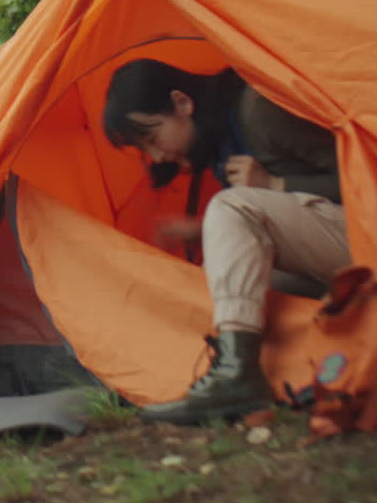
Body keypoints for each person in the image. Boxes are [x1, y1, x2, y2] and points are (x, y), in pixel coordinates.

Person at [102, 59, 348, 424]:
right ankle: (194, 375)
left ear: (182, 103)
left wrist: (274, 186)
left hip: (373, 238)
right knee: (237, 286)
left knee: (230, 208)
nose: (156, 157)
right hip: (336, 255)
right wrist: (205, 231)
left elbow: (368, 175)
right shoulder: (221, 146)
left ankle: (237, 380)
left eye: (152, 139)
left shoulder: (259, 111)